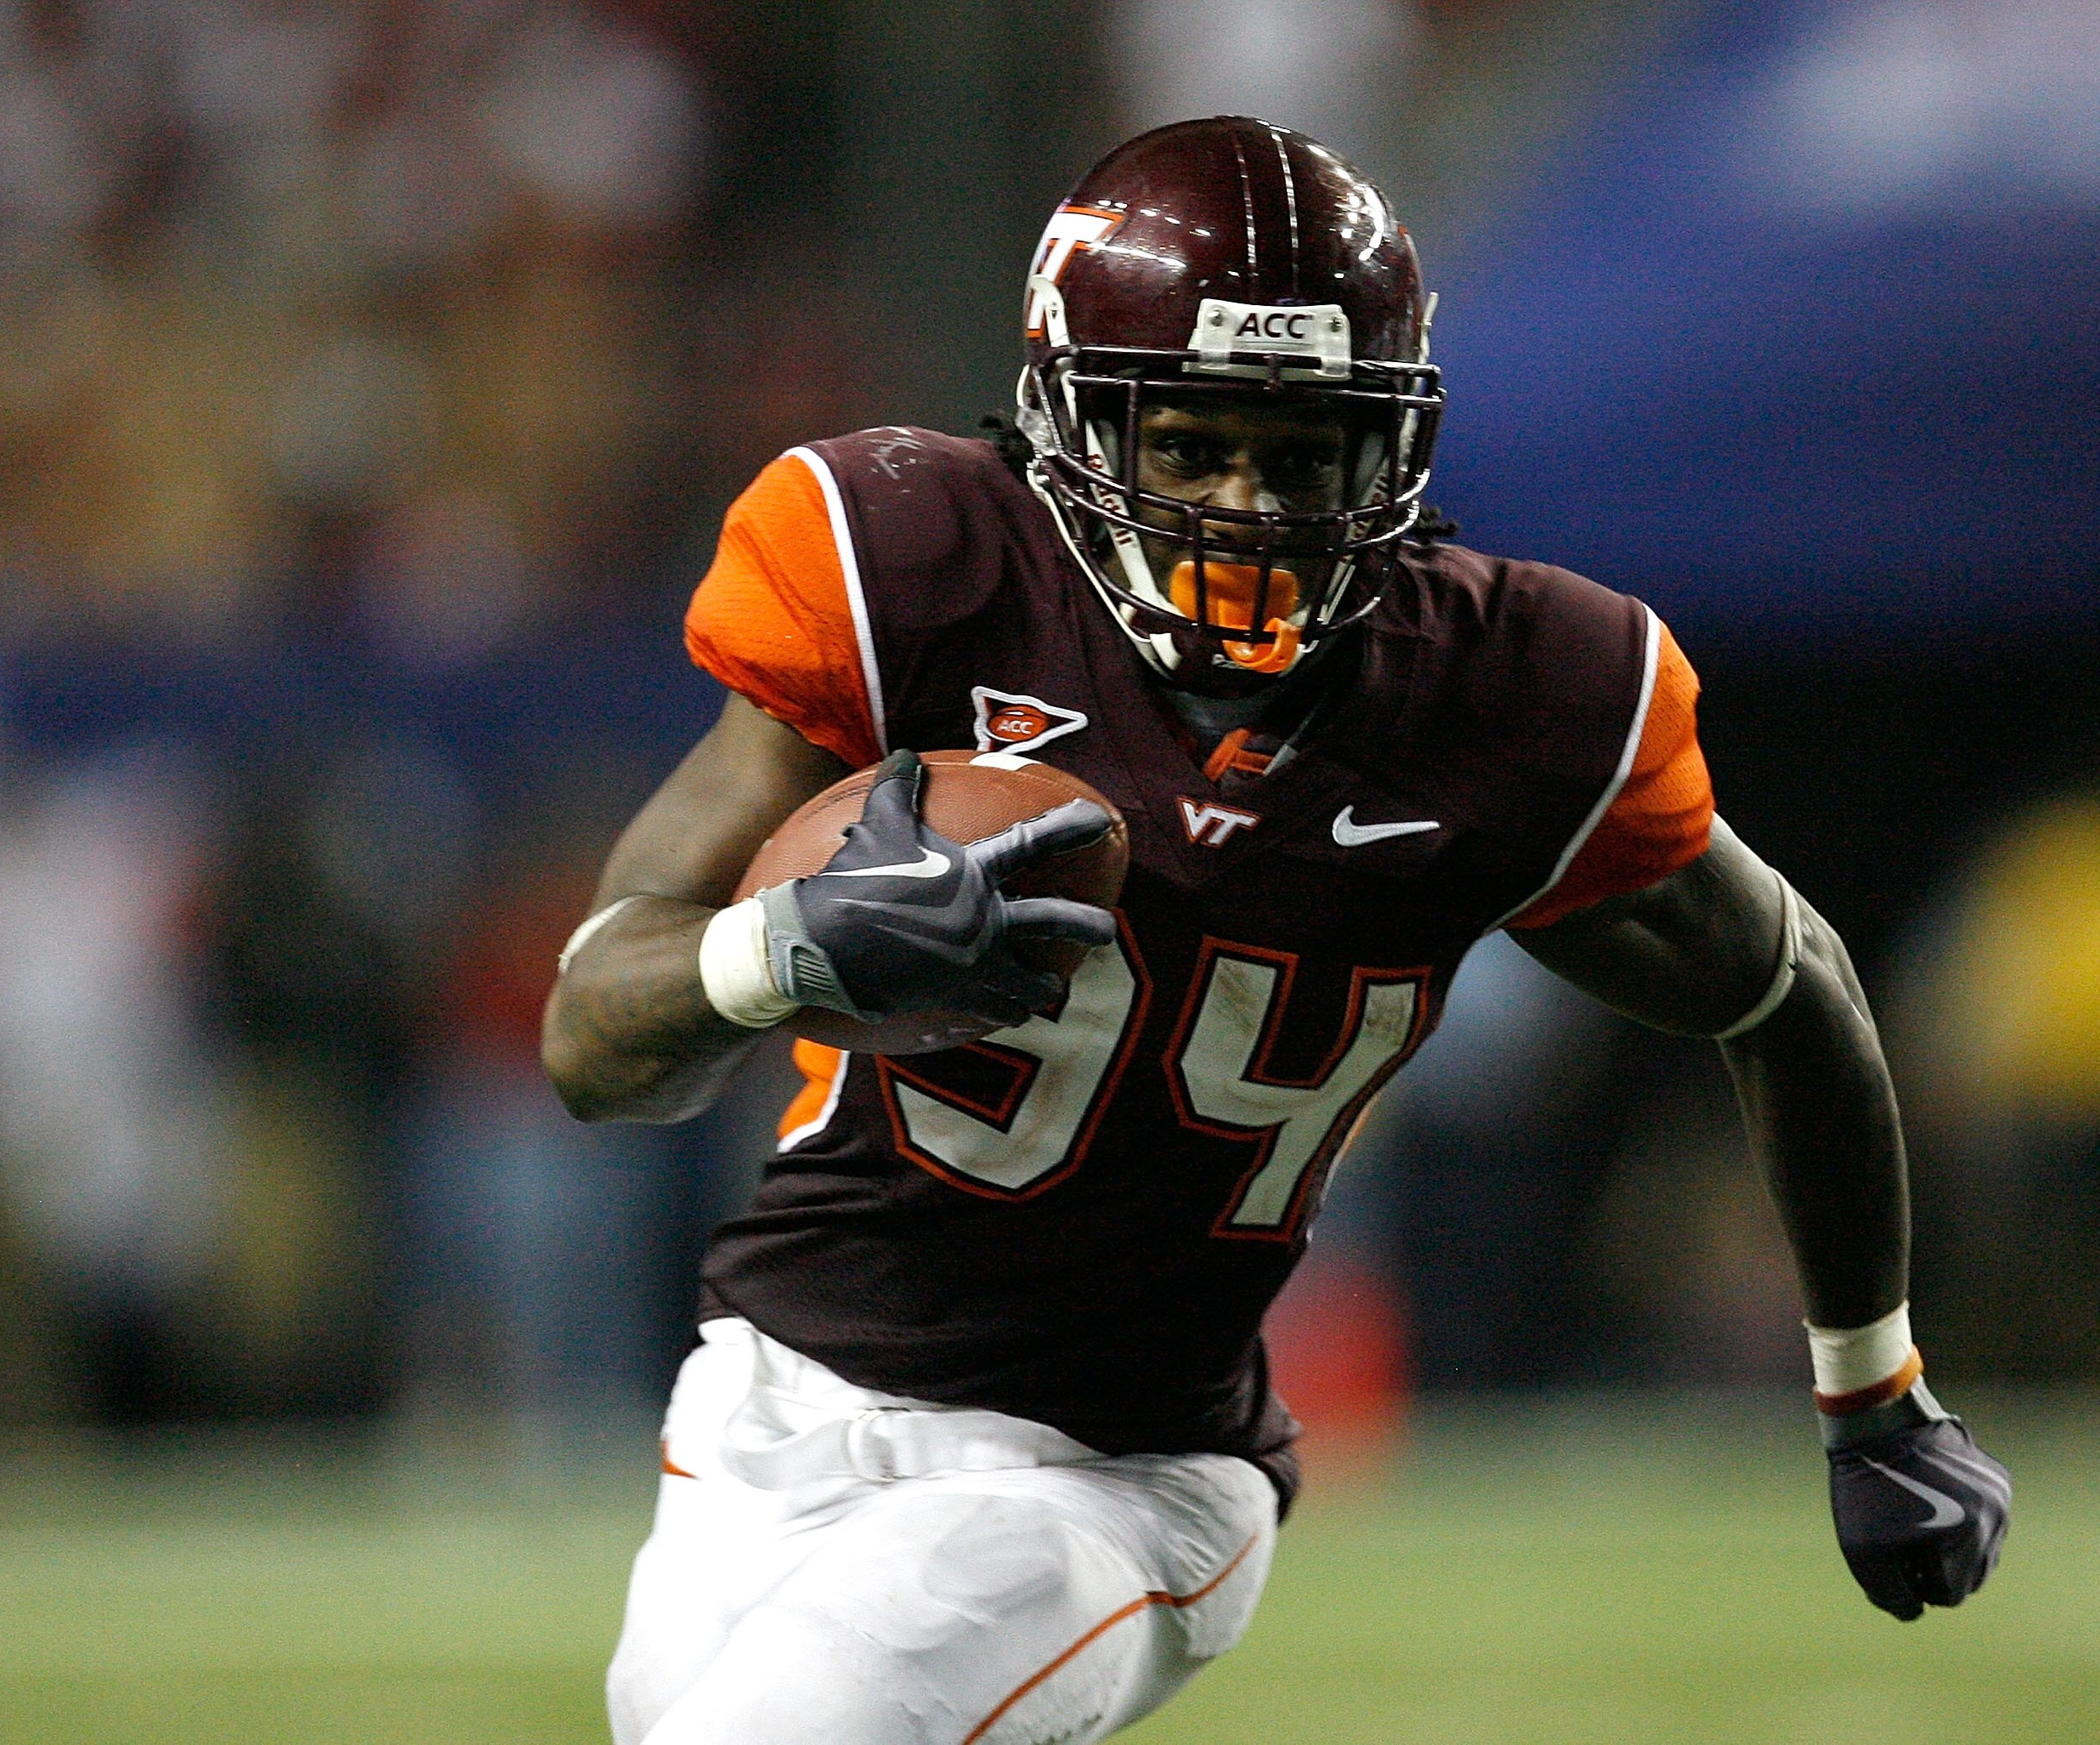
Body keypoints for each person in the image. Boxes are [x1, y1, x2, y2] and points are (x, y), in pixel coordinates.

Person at [545, 116, 2010, 1745]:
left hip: (1110, 1474)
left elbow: (1785, 988)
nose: (1247, 509)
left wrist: (1874, 1391)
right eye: (1187, 445)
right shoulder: (916, 575)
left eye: (1302, 455)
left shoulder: (1506, 698)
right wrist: (784, 953)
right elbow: (591, 1037)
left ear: (1388, 455)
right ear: (1071, 419)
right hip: (768, 1405)